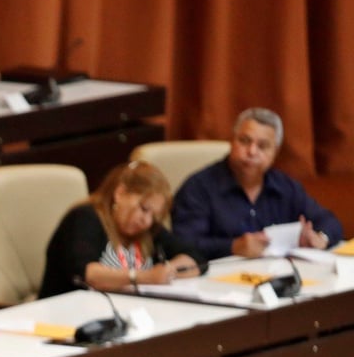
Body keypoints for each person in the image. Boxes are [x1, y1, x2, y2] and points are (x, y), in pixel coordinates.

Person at [172, 108, 343, 259]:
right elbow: (184, 244)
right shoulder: (199, 187)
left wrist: (321, 238)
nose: (252, 151)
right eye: (245, 141)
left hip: (276, 278)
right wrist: (232, 247)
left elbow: (329, 221)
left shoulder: (285, 186)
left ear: (274, 152)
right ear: (231, 141)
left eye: (263, 146)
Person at [39, 160, 204, 299]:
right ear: (120, 193)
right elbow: (86, 273)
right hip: (69, 316)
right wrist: (145, 277)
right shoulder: (85, 217)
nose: (146, 221)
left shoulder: (148, 229)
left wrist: (169, 272)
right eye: (144, 208)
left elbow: (194, 257)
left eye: (153, 216)